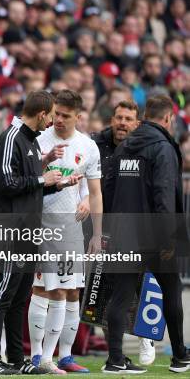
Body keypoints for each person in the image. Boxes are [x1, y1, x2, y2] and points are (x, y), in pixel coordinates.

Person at [0, 90, 81, 375]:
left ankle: (16, 359)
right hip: (10, 231)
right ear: (42, 114)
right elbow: (5, 183)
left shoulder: (29, 141)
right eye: (51, 116)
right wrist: (43, 177)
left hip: (28, 232)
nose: (52, 122)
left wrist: (56, 185)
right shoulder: (11, 138)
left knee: (18, 298)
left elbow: (28, 187)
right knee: (3, 294)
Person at [103, 95, 190, 374]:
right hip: (155, 235)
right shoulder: (163, 148)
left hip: (123, 232)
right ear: (167, 118)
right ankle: (180, 357)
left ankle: (115, 360)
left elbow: (109, 191)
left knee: (121, 296)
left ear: (144, 117)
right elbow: (164, 195)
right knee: (171, 292)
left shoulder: (123, 147)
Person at [28, 90, 102, 374]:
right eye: (56, 113)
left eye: (65, 116)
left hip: (71, 228)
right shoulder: (38, 138)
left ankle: (65, 356)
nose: (58, 119)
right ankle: (38, 356)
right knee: (45, 289)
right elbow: (25, 178)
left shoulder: (88, 146)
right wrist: (44, 163)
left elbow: (93, 190)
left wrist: (96, 231)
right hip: (41, 225)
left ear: (78, 117)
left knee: (71, 291)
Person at [91, 100, 156, 365]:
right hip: (104, 231)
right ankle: (115, 353)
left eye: (128, 119)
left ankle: (146, 336)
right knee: (107, 295)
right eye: (119, 117)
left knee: (141, 289)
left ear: (137, 123)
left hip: (136, 229)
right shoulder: (96, 146)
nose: (122, 123)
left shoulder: (146, 148)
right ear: (112, 119)